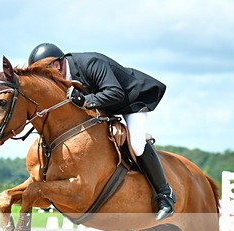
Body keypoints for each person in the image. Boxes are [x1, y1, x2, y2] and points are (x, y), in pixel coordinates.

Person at [27, 43, 176, 221]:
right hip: (105, 105)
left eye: (44, 73)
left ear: (57, 65)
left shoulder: (91, 63)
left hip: (131, 100)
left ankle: (165, 195)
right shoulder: (59, 79)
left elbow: (115, 92)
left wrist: (85, 100)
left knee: (136, 144)